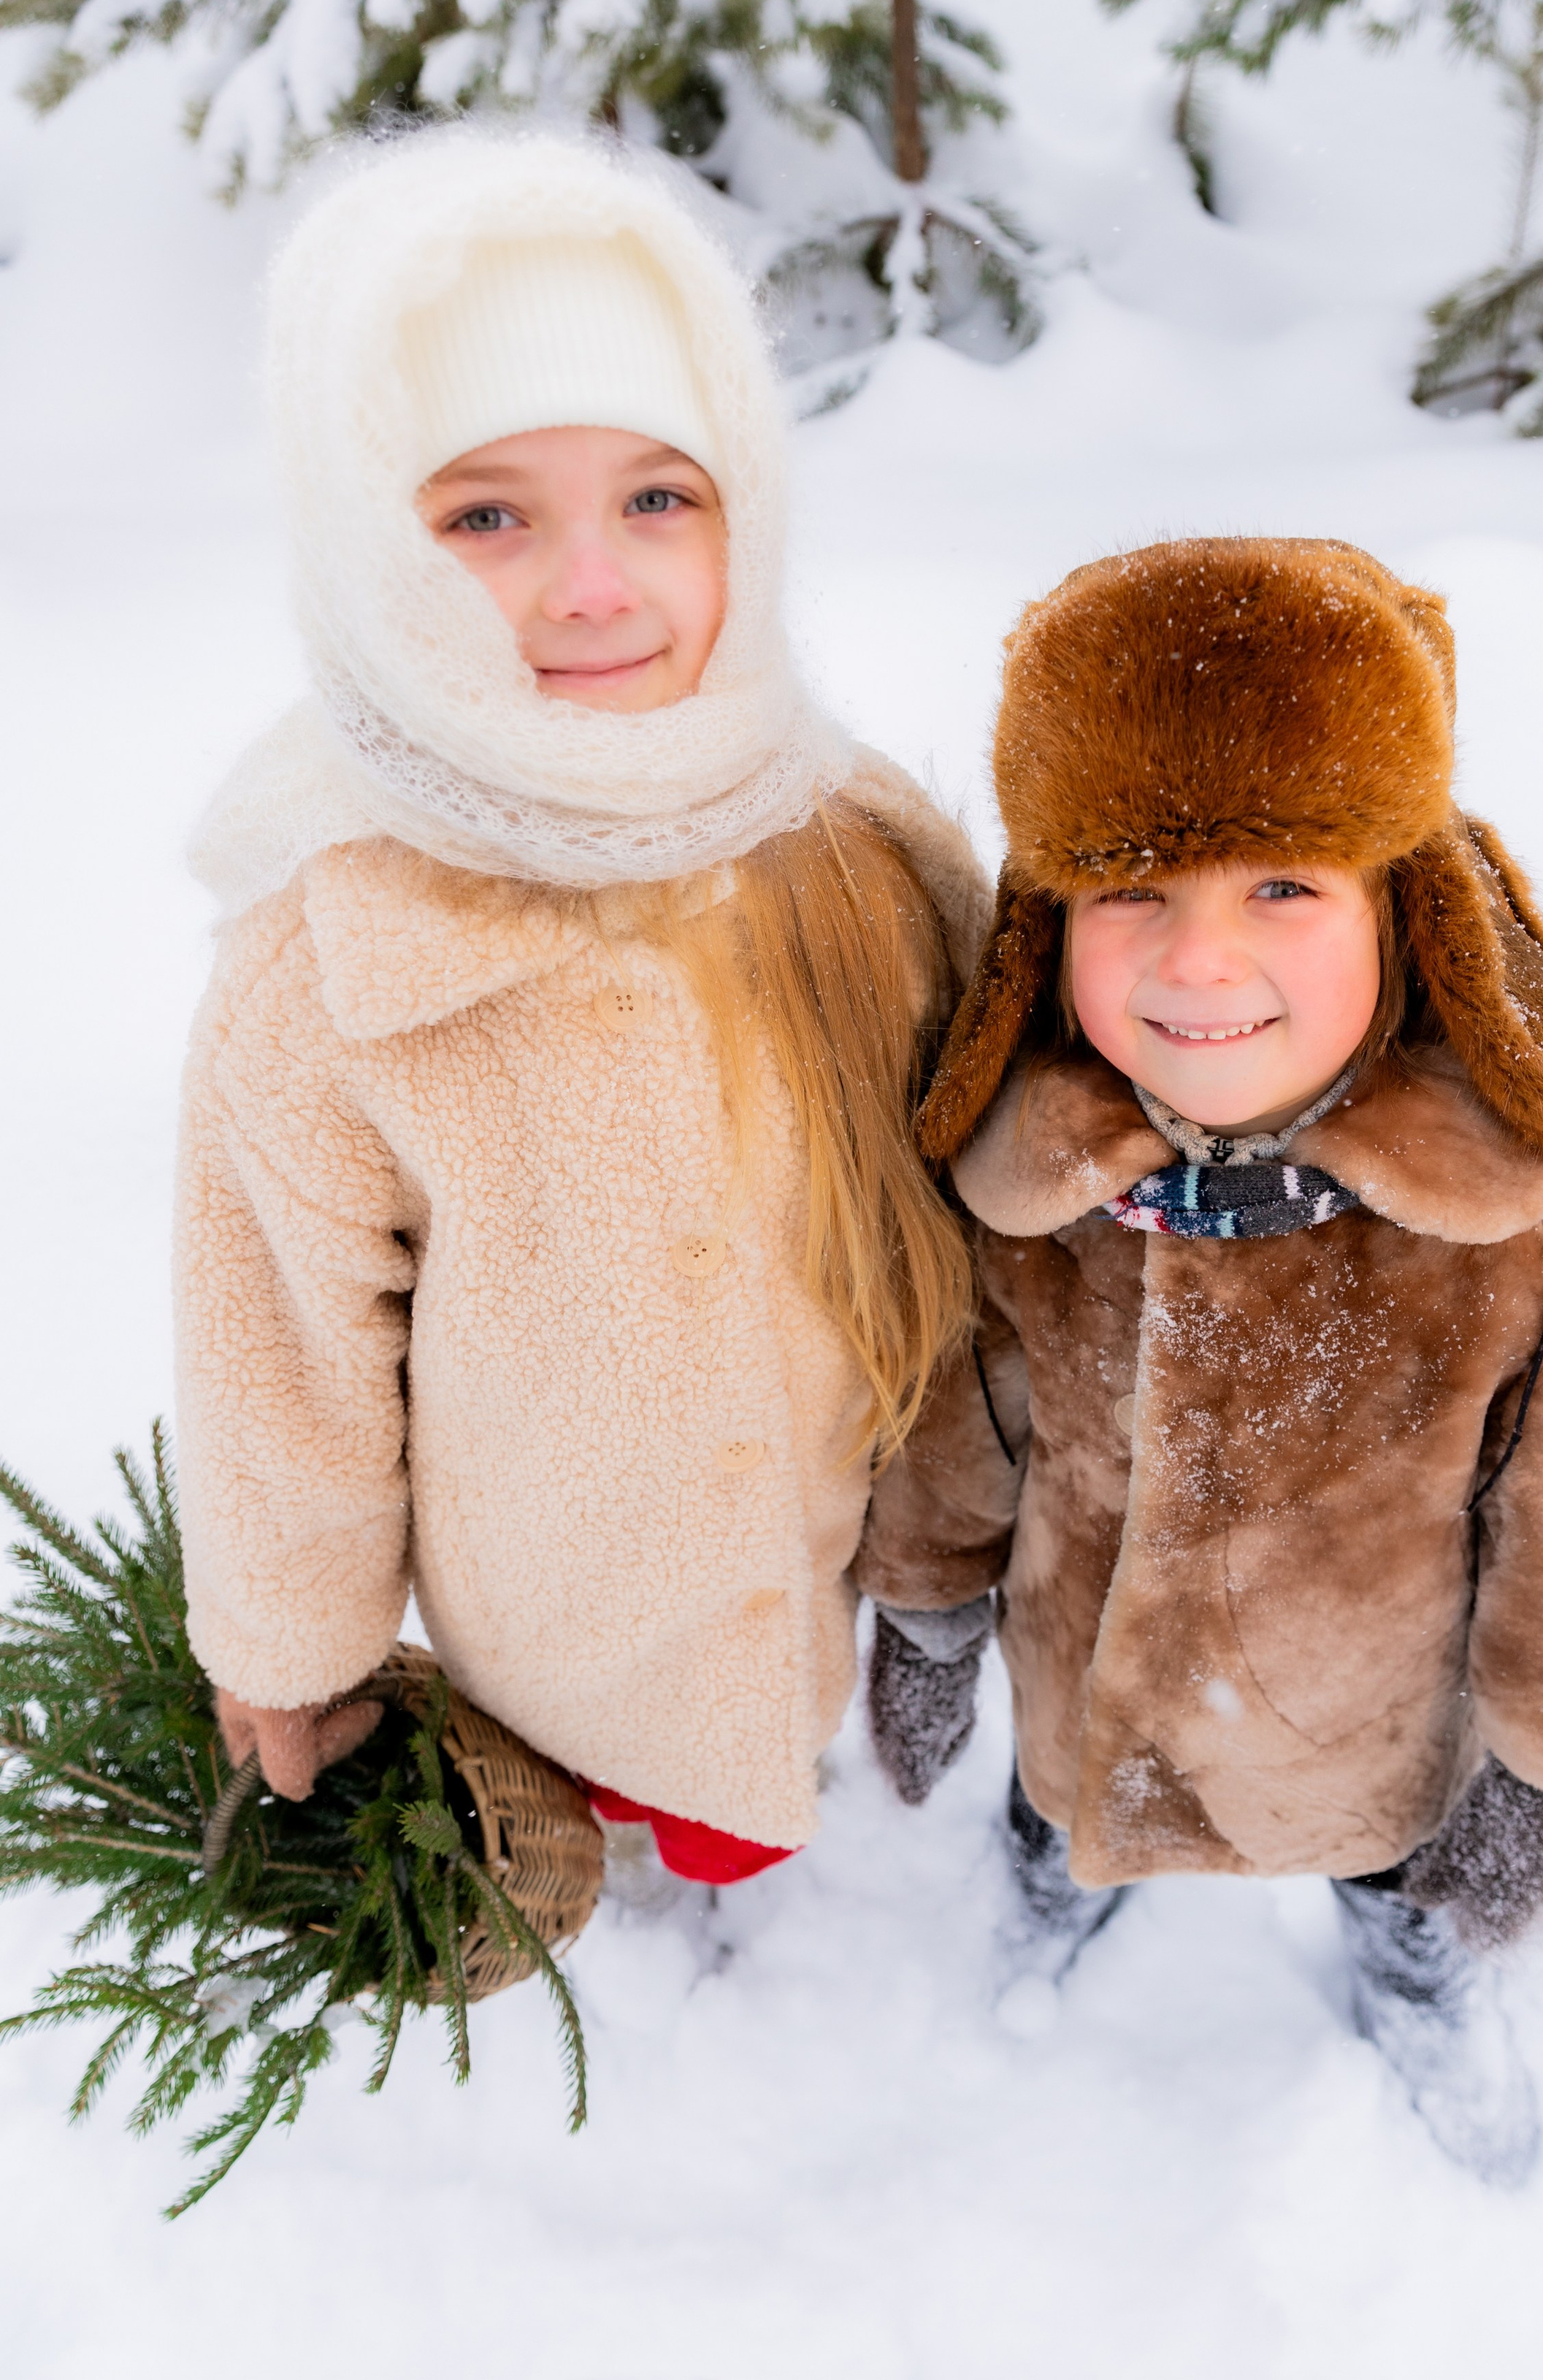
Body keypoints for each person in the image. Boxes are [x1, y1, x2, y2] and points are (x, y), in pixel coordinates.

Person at [175, 131, 986, 1893]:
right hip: (552, 1604)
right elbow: (280, 1354)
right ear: (370, 547)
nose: (595, 584)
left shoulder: (858, 853)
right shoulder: (334, 952)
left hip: (832, 1521)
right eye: (486, 516)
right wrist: (289, 1643)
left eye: (656, 496)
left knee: (752, 1793)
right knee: (607, 1806)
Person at [857, 535, 1543, 2178]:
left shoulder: (1520, 1233)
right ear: (1043, 924)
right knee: (1058, 1813)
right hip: (1078, 1682)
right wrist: (933, 1617)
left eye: (1284, 888)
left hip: (1371, 1732)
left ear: (1405, 906)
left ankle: (1404, 1957)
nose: (1197, 963)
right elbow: (967, 1425)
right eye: (1131, 893)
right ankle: (1051, 1886)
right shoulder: (1029, 1191)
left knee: (1395, 1861)